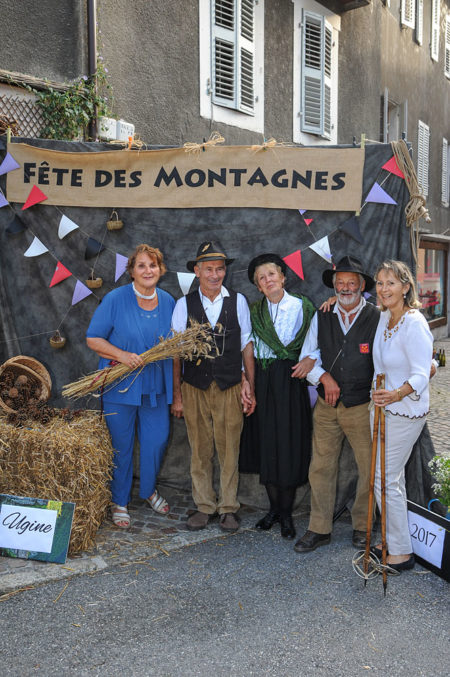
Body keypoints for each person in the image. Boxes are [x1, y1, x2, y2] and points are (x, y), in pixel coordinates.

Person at [294, 256, 380, 553]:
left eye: (351, 283)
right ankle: (319, 528)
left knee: (369, 469)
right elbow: (306, 357)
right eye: (340, 282)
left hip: (362, 405)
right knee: (320, 467)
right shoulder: (322, 315)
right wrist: (324, 377)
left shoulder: (377, 317)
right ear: (333, 285)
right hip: (327, 408)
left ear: (361, 286)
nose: (345, 288)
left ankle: (362, 526)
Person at [86, 244, 175, 528]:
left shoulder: (169, 301)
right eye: (141, 266)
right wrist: (122, 356)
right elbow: (93, 339)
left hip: (155, 386)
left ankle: (148, 490)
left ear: (161, 270)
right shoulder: (115, 299)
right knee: (121, 446)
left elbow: (174, 349)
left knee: (156, 441)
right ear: (132, 271)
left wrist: (177, 392)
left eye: (153, 265)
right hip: (120, 386)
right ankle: (119, 501)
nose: (148, 270)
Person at [171, 241, 255, 532]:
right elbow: (176, 353)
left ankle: (229, 507)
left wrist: (249, 385)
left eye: (220, 269)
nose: (215, 274)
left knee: (230, 447)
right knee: (200, 448)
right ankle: (204, 505)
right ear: (197, 271)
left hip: (230, 385)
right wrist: (178, 395)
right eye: (209, 269)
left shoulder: (238, 302)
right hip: (194, 386)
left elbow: (247, 346)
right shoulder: (184, 305)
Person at [239, 253, 317, 539]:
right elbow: (246, 344)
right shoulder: (254, 311)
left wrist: (310, 360)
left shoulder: (304, 307)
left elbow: (317, 343)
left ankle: (286, 513)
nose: (267, 280)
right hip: (264, 378)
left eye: (271, 274)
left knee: (290, 443)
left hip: (293, 379)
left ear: (283, 277)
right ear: (258, 286)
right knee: (267, 443)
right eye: (261, 278)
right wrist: (247, 379)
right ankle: (273, 509)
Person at [370, 260, 433, 572]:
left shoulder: (414, 322)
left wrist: (396, 394)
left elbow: (424, 373)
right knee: (381, 478)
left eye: (391, 283)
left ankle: (401, 552)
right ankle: (388, 537)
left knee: (385, 479)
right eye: (380, 283)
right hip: (381, 408)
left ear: (406, 287)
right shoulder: (384, 316)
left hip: (405, 412)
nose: (384, 289)